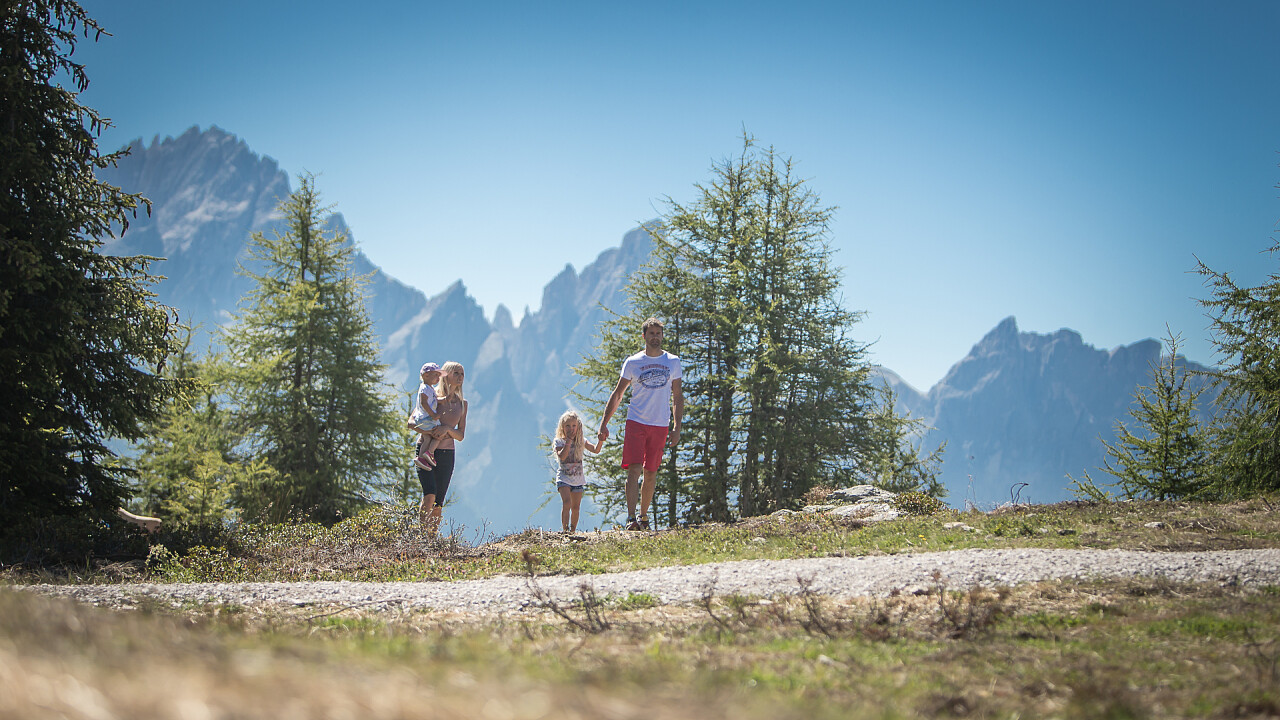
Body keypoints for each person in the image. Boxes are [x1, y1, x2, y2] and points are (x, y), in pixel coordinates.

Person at [597, 317, 684, 531]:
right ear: (644, 336)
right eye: (651, 333)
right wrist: (603, 423)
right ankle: (630, 518)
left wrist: (677, 427)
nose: (655, 337)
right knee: (634, 469)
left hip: (660, 424)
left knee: (651, 472)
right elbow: (618, 394)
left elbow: (678, 397)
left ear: (662, 336)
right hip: (636, 421)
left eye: (658, 333)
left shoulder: (673, 361)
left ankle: (644, 517)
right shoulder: (633, 362)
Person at [417, 361, 468, 534]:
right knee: (429, 494)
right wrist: (431, 432)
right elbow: (412, 422)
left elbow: (460, 435)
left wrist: (447, 430)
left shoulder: (462, 404)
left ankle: (431, 539)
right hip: (426, 451)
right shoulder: (431, 398)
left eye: (462, 374)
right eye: (456, 373)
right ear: (446, 375)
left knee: (439, 501)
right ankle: (421, 538)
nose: (460, 377)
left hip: (447, 453)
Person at [552, 409, 604, 535]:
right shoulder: (559, 442)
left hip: (578, 479)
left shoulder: (582, 441)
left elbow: (596, 450)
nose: (571, 428)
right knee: (567, 503)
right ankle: (565, 531)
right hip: (564, 478)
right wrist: (569, 441)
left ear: (578, 426)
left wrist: (601, 440)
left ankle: (573, 531)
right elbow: (562, 456)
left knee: (576, 508)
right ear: (562, 428)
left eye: (574, 426)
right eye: (568, 426)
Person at [408, 362, 445, 469]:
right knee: (439, 434)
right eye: (436, 375)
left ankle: (421, 459)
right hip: (426, 418)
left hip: (422, 419)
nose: (438, 378)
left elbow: (433, 400)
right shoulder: (425, 388)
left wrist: (443, 400)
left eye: (439, 376)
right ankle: (430, 452)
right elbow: (424, 402)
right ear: (426, 375)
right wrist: (433, 414)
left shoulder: (429, 388)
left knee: (427, 438)